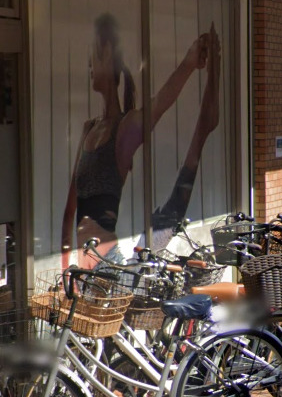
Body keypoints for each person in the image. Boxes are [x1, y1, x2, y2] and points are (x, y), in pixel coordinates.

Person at [62, 14, 220, 267]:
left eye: (95, 56)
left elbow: (158, 105)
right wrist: (66, 267)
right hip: (88, 262)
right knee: (169, 215)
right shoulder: (88, 128)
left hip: (108, 259)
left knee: (171, 214)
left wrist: (189, 63)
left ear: (108, 57)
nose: (90, 65)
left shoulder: (124, 129)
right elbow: (70, 211)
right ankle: (204, 126)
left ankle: (204, 126)